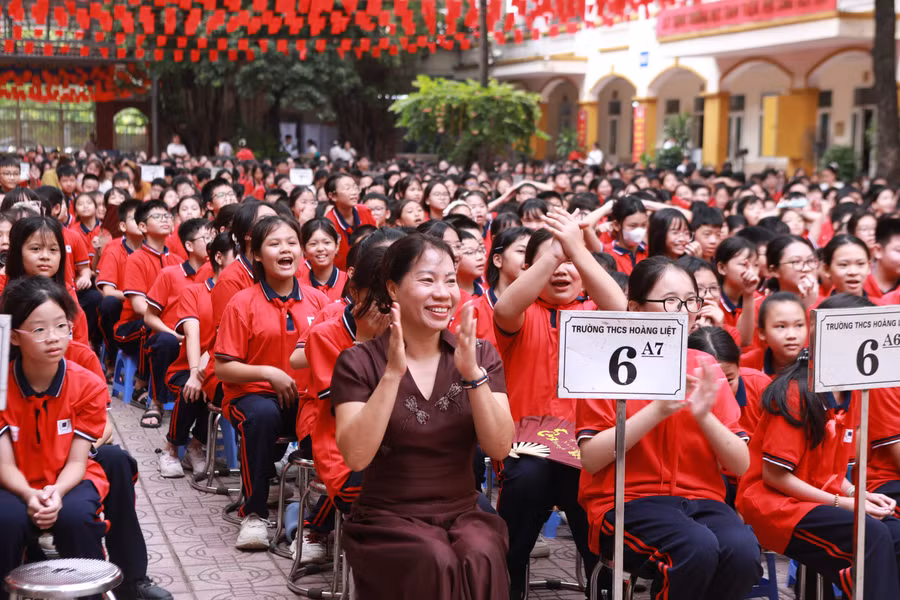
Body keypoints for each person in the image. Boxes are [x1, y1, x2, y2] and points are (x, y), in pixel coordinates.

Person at [330, 233, 514, 599]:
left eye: (450, 280)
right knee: (434, 558)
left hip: (463, 512)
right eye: (427, 280)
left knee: (480, 552)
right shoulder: (359, 361)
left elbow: (500, 447)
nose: (442, 293)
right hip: (388, 517)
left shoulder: (479, 355)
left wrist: (473, 375)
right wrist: (392, 375)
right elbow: (356, 457)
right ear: (393, 289)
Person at [578, 256, 761, 600]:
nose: (684, 311)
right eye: (671, 301)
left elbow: (740, 464)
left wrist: (704, 416)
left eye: (690, 301)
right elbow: (591, 458)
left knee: (742, 552)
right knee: (696, 546)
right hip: (626, 502)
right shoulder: (605, 362)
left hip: (702, 502)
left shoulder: (705, 365)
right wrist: (658, 409)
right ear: (634, 308)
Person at [494, 208, 626, 598]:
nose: (562, 269)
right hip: (527, 446)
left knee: (595, 522)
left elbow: (620, 308)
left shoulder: (593, 313)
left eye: (571, 262)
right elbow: (504, 308)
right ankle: (508, 581)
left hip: (585, 447)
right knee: (526, 484)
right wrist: (556, 250)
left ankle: (602, 585)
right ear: (531, 269)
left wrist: (577, 249)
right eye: (553, 261)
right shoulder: (521, 315)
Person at [737, 294, 900, 599]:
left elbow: (833, 474)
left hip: (817, 500)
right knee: (872, 535)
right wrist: (843, 503)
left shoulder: (852, 392)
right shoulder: (797, 392)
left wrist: (858, 494)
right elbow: (775, 476)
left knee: (894, 531)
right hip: (775, 505)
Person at [214, 216, 329, 550]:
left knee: (337, 417)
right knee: (262, 416)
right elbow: (223, 369)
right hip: (251, 396)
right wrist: (269, 373)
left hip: (304, 399)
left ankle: (317, 521)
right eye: (275, 244)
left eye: (292, 242)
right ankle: (253, 514)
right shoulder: (242, 302)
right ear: (257, 255)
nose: (285, 249)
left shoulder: (318, 301)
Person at [0, 276, 109, 589]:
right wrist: (29, 494)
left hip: (70, 479)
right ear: (15, 336)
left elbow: (77, 462)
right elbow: (4, 465)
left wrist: (56, 492)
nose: (53, 338)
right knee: (6, 520)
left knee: (76, 518)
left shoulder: (88, 386)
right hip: (14, 482)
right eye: (39, 329)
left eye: (62, 326)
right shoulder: (2, 387)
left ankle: (90, 593)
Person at [159, 232, 236, 478]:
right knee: (191, 389)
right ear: (219, 258)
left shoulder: (242, 294)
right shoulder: (194, 292)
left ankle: (195, 446)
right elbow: (192, 334)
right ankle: (171, 449)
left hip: (220, 366)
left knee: (215, 387)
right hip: (186, 366)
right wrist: (195, 372)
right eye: (237, 257)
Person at [324, 173, 375, 271]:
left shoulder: (365, 211)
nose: (354, 192)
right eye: (348, 188)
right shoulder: (329, 223)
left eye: (355, 187)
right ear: (332, 196)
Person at [300, 218, 348, 302]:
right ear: (304, 249)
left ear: (337, 246)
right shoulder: (298, 286)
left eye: (327, 242)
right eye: (313, 244)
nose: (320, 248)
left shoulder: (348, 282)